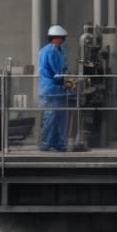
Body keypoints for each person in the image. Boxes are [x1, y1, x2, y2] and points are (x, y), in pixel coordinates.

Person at [38, 24, 71, 153]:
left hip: (57, 91)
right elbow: (58, 72)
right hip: (52, 91)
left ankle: (59, 144)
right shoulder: (51, 51)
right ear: (55, 38)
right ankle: (47, 144)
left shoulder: (57, 50)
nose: (63, 41)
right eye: (61, 39)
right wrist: (68, 80)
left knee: (60, 119)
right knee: (51, 118)